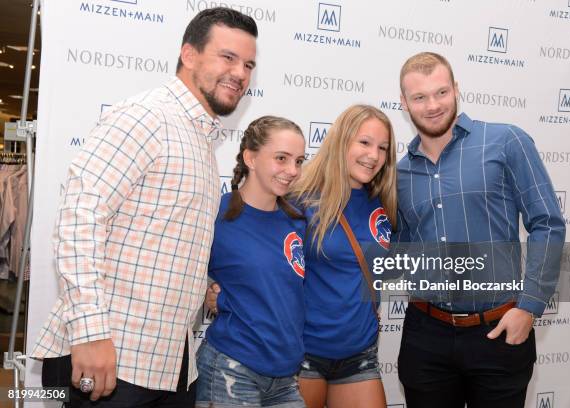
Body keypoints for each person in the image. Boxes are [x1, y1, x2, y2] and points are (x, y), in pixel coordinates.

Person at [31, 7, 257, 407]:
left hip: (167, 364)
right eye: (228, 57)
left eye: (249, 64)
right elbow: (79, 219)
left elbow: (155, 238)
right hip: (113, 360)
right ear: (189, 55)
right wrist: (90, 333)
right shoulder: (146, 117)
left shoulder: (200, 139)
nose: (240, 73)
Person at [394, 52, 566, 408]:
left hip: (499, 331)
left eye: (441, 92)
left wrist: (530, 307)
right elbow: (401, 250)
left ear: (456, 90)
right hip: (425, 336)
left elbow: (546, 223)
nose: (432, 105)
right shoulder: (399, 174)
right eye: (419, 97)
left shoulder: (505, 142)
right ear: (404, 103)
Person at [205, 104, 397, 408]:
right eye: (364, 142)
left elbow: (404, 264)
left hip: (360, 350)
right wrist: (216, 291)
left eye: (382, 147)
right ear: (341, 142)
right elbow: (254, 249)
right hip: (303, 353)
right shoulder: (298, 197)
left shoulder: (386, 199)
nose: (373, 155)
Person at [195, 116, 307, 408]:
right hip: (231, 369)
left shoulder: (298, 221)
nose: (292, 170)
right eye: (281, 158)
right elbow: (175, 275)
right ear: (250, 158)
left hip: (286, 377)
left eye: (298, 161)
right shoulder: (214, 216)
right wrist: (209, 291)